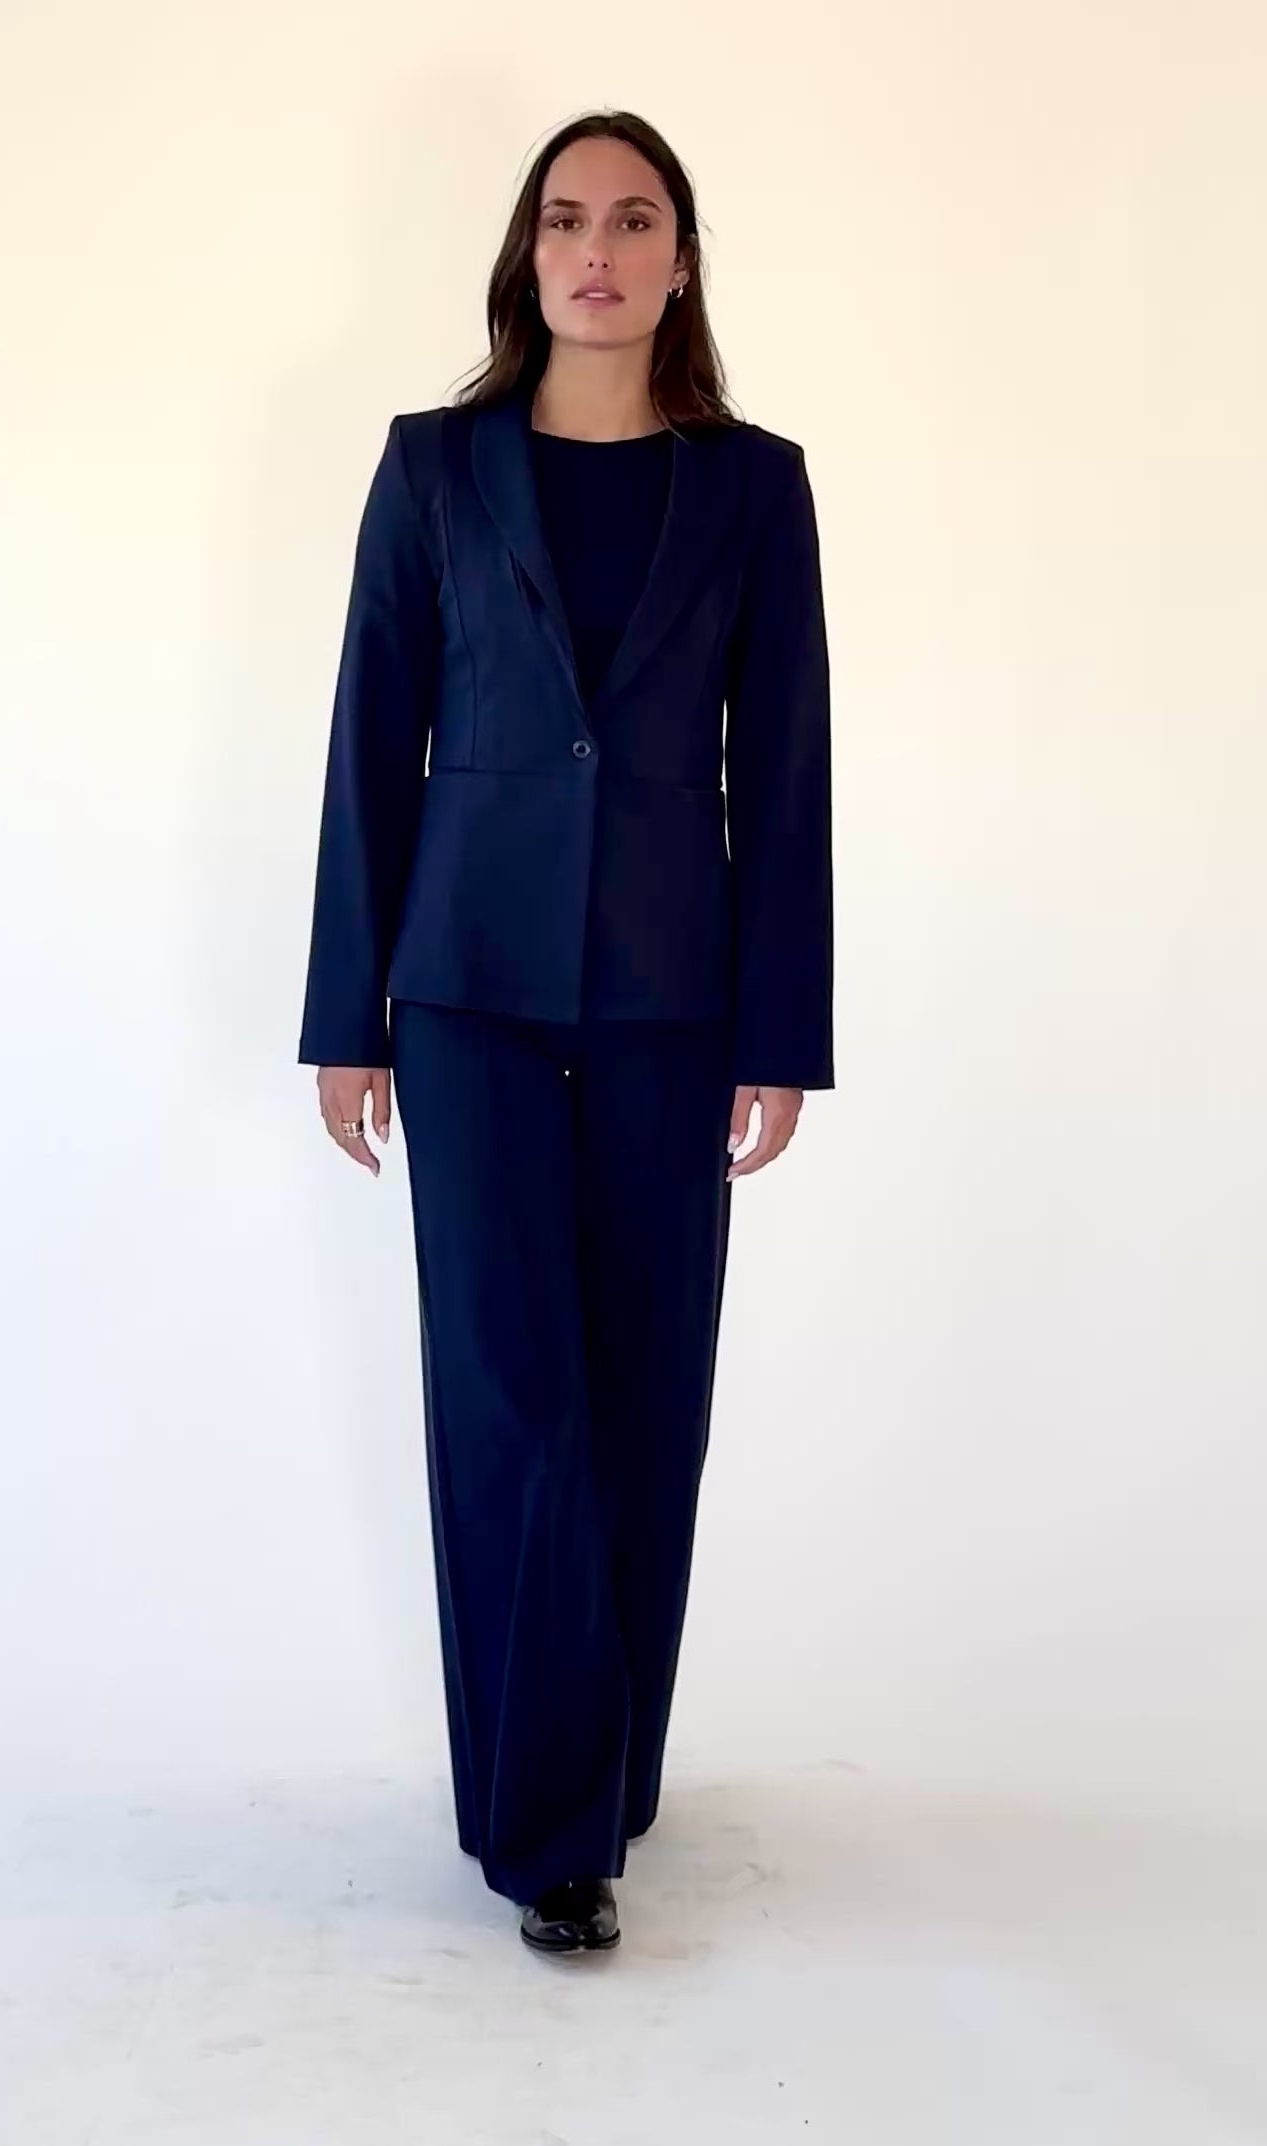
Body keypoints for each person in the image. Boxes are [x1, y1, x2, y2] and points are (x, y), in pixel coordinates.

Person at [298, 109, 833, 1957]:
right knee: (513, 1396)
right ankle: (549, 1834)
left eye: (633, 220)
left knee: (646, 1397)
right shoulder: (433, 468)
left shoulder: (753, 487)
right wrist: (347, 1012)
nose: (595, 251)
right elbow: (369, 738)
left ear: (679, 263)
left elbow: (786, 766)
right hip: (466, 995)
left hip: (675, 1002)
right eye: (564, 220)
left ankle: (605, 1773)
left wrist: (779, 1027)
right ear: (526, 258)